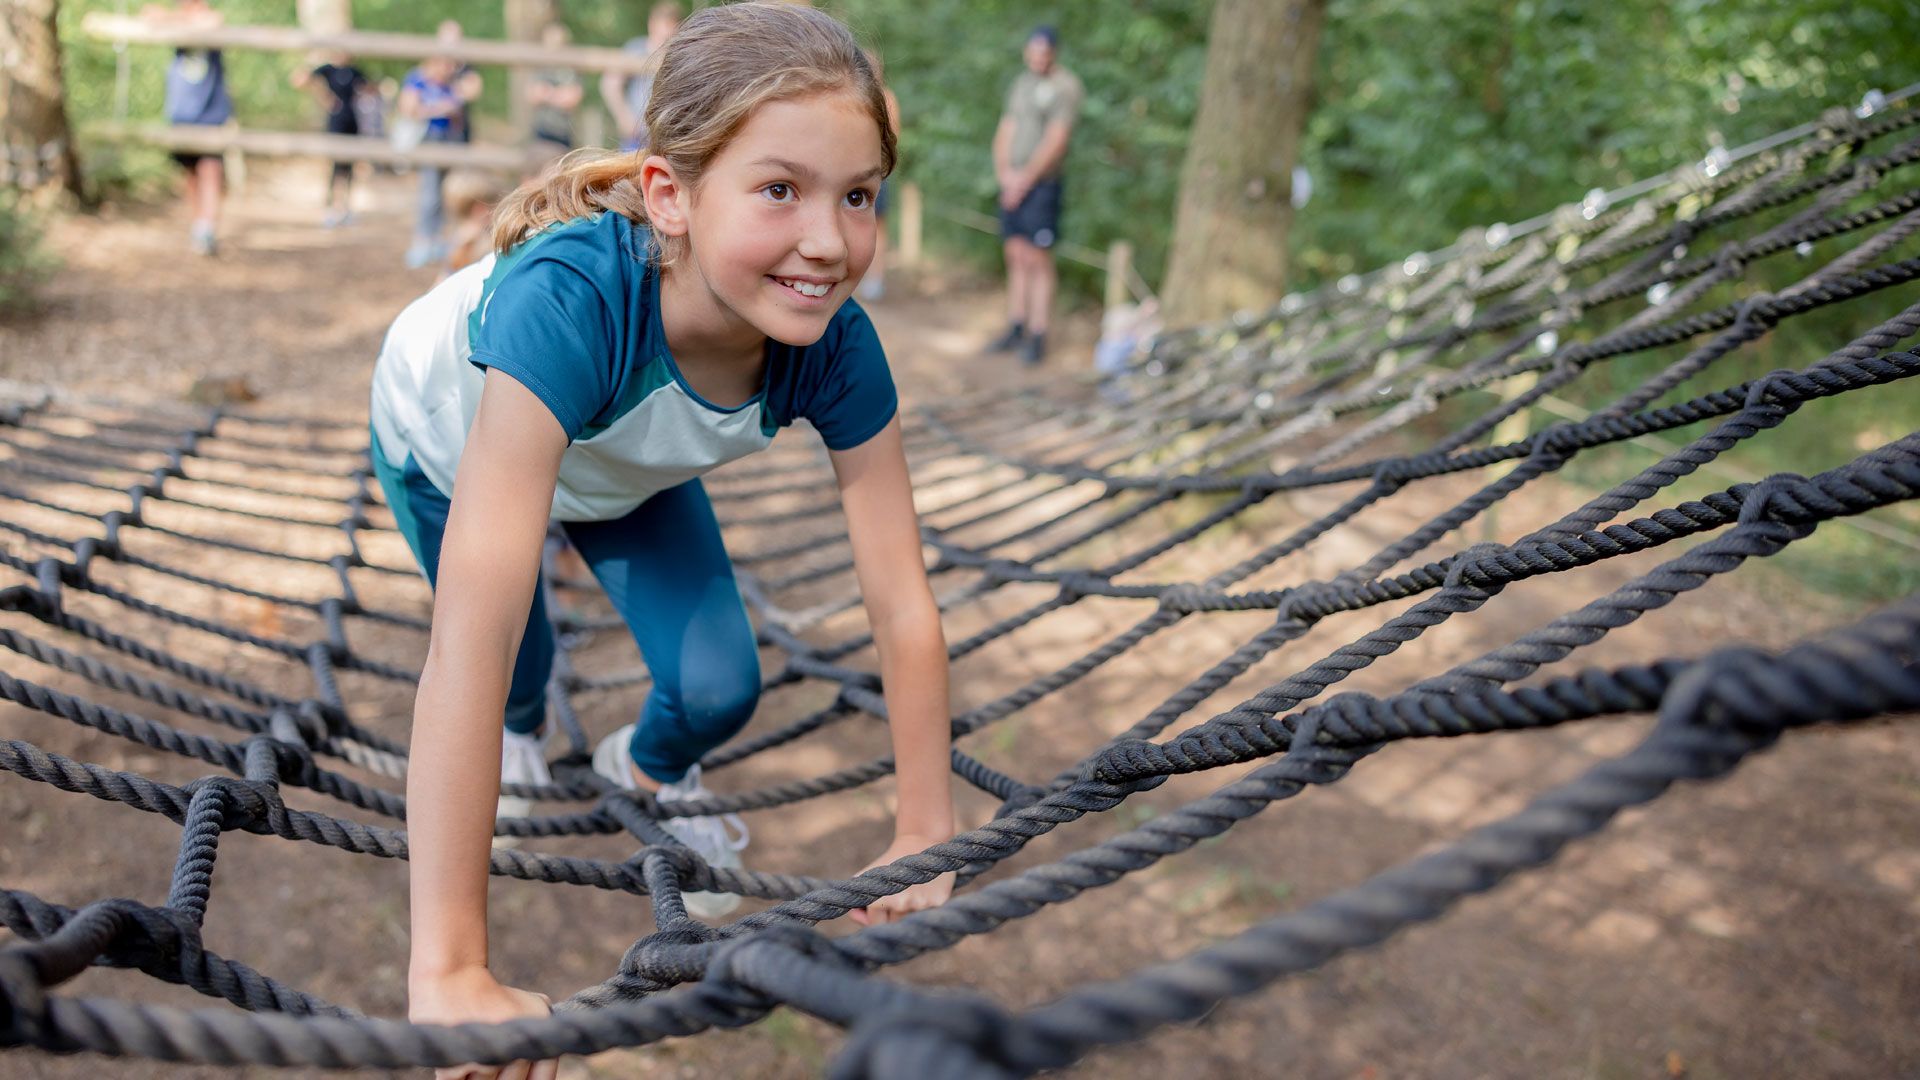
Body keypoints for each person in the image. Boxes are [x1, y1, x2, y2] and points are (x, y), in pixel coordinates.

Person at [375, 6, 954, 1075]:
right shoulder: (575, 302)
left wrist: (925, 822)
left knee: (721, 685)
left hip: (620, 470)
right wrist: (450, 971)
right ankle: (515, 751)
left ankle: (642, 770)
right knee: (515, 665)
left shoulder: (833, 345)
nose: (828, 240)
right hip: (448, 448)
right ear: (669, 196)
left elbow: (901, 598)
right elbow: (469, 628)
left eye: (859, 195)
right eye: (779, 189)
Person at [987, 25, 1082, 366]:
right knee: (1015, 254)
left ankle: (1039, 333)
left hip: (1041, 186)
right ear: (1028, 51)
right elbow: (1006, 130)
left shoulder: (1065, 86)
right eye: (1034, 51)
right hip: (1012, 182)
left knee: (1039, 259)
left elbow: (1057, 139)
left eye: (1045, 52)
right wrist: (1005, 177)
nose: (1039, 58)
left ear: (1053, 52)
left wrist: (1024, 181)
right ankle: (1017, 325)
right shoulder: (1022, 84)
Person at [147, 0, 230, 256]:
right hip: (182, 115)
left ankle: (207, 227)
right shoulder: (179, 27)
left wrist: (176, 18)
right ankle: (199, 226)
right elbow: (151, 16)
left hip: (211, 114)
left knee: (211, 170)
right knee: (191, 174)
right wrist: (177, 18)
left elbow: (214, 20)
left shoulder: (210, 23)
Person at [400, 23, 483, 268]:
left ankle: (445, 240)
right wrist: (440, 107)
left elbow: (470, 92)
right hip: (430, 139)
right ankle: (424, 240)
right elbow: (409, 109)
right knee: (430, 191)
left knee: (454, 189)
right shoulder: (418, 79)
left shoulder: (458, 76)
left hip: (453, 139)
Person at [291, 51, 370, 228]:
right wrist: (323, 96)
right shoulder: (327, 70)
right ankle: (331, 208)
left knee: (349, 167)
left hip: (352, 122)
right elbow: (300, 79)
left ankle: (346, 208)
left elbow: (369, 88)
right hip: (335, 123)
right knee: (335, 166)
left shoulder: (354, 71)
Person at [600, 1, 682, 152]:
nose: (666, 31)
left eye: (670, 25)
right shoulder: (636, 50)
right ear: (652, 24)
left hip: (665, 138)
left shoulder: (676, 55)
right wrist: (623, 117)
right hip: (636, 137)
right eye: (663, 24)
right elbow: (610, 84)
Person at [857, 50, 901, 303]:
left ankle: (876, 278)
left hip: (879, 172)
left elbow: (894, 136)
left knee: (878, 227)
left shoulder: (887, 98)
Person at [526, 23, 582, 163]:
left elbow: (572, 98)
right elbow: (532, 95)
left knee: (562, 167)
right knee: (539, 166)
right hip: (541, 130)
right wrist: (557, 95)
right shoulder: (540, 67)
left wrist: (547, 94)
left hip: (563, 132)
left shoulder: (570, 68)